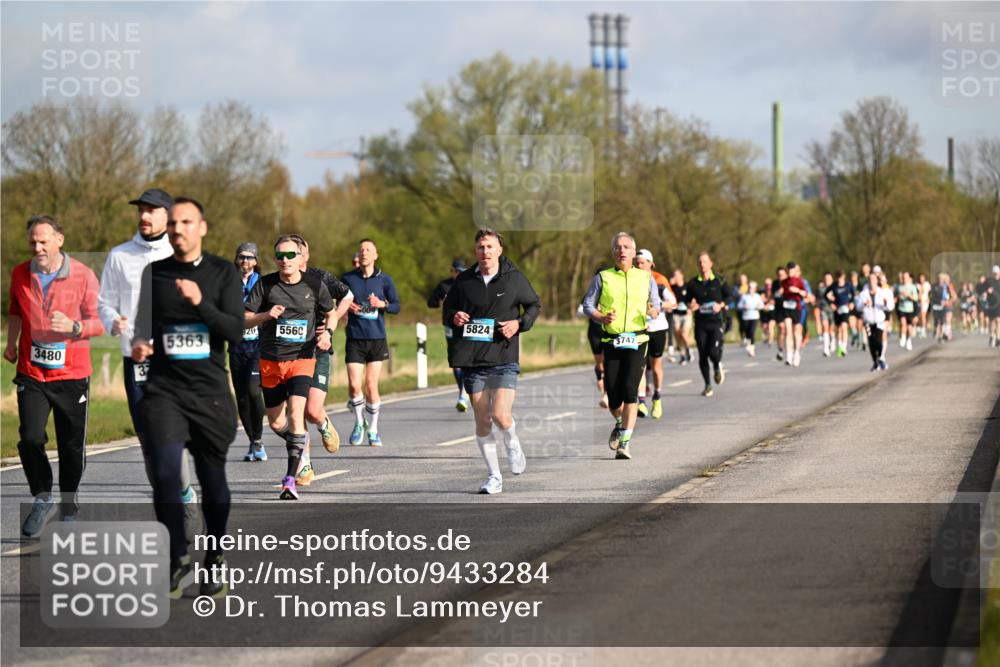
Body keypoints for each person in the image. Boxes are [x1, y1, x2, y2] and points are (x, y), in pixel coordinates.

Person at [130, 197, 244, 598]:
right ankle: (178, 556)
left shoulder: (223, 272)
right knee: (164, 474)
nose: (178, 229)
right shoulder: (154, 273)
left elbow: (234, 331)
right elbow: (142, 329)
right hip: (165, 391)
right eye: (173, 223)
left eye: (186, 222)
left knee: (213, 482)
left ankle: (215, 555)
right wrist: (140, 345)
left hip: (210, 394)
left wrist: (200, 303)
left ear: (202, 227)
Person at [98, 188, 199, 531]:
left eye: (151, 210)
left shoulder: (182, 254)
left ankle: (184, 493)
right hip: (136, 359)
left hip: (175, 358)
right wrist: (112, 320)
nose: (144, 216)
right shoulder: (120, 256)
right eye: (141, 209)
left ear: (167, 216)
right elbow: (103, 302)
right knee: (148, 438)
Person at [6, 215, 104, 537]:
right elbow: (16, 311)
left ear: (59, 240)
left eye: (43, 241)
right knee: (31, 437)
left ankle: (69, 506)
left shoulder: (83, 275)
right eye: (32, 242)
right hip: (32, 372)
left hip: (72, 376)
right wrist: (11, 343)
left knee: (71, 448)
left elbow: (99, 322)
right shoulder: (20, 273)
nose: (37, 247)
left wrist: (75, 327)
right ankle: (43, 496)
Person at [444, 228, 541, 492]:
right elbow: (448, 309)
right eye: (481, 247)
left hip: (503, 356)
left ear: (499, 250)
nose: (485, 251)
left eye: (490, 247)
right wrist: (454, 316)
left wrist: (519, 323)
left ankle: (512, 441)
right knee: (482, 420)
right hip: (473, 359)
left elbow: (534, 305)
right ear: (475, 251)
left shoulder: (513, 279)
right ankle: (494, 476)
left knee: (500, 415)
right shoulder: (464, 281)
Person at [244, 235, 335, 499]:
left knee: (297, 413)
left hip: (302, 358)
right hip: (270, 361)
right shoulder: (265, 284)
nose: (285, 260)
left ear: (300, 257)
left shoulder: (315, 285)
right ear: (275, 259)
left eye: (290, 255)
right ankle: (301, 443)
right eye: (280, 256)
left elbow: (331, 312)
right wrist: (265, 315)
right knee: (276, 422)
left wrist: (328, 333)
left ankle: (290, 479)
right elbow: (244, 319)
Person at [582, 233, 660, 458]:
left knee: (630, 389)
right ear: (613, 252)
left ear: (634, 252)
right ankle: (619, 422)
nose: (622, 250)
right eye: (618, 247)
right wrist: (601, 317)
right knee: (614, 396)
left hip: (638, 339)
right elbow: (588, 305)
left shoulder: (646, 278)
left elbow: (656, 303)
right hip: (612, 340)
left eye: (626, 247)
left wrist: (654, 310)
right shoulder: (603, 277)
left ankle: (625, 443)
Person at [293, 235, 353, 485]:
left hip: (318, 349)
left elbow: (348, 295)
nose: (291, 258)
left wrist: (332, 322)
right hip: (291, 353)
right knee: (296, 411)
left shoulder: (320, 277)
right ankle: (304, 466)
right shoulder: (277, 283)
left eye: (297, 252)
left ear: (305, 255)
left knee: (312, 411)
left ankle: (323, 422)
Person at [341, 239, 400, 447]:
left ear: (375, 255)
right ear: (358, 255)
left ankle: (373, 430)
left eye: (368, 250)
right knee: (354, 385)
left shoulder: (385, 280)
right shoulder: (348, 279)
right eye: (361, 250)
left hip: (376, 339)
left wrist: (382, 304)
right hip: (355, 338)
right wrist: (347, 306)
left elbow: (396, 306)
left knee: (371, 385)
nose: (364, 252)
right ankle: (359, 422)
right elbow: (335, 299)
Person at [230, 243, 267, 462]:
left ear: (255, 261)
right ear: (237, 259)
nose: (245, 261)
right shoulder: (228, 282)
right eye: (242, 257)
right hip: (236, 347)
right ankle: (253, 441)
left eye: (249, 257)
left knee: (254, 391)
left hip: (257, 347)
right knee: (242, 397)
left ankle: (259, 438)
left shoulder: (262, 283)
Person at [634, 249, 675, 419]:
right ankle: (641, 402)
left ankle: (657, 398)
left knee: (656, 367)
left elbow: (673, 303)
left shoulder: (659, 280)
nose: (639, 265)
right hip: (639, 328)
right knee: (640, 366)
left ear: (651, 264)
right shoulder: (631, 280)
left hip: (657, 328)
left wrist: (657, 307)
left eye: (642, 263)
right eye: (637, 263)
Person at [428, 259, 470, 411]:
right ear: (451, 271)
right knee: (455, 360)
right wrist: (441, 302)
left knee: (466, 359)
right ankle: (462, 391)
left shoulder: (470, 284)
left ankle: (465, 392)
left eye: (460, 271)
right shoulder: (444, 285)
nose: (457, 274)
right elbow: (431, 302)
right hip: (450, 326)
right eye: (455, 271)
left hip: (467, 326)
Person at [684, 253, 729, 395]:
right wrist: (691, 305)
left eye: (705, 261)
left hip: (716, 322)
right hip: (701, 323)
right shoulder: (692, 283)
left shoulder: (720, 280)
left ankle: (716, 365)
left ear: (711, 263)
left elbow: (730, 296)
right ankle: (707, 385)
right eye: (700, 262)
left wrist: (721, 305)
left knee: (713, 351)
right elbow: (687, 300)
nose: (702, 264)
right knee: (702, 354)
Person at [856, 273, 895, 371]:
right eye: (870, 279)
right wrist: (864, 304)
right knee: (871, 342)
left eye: (873, 279)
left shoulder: (882, 293)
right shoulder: (863, 294)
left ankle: (881, 358)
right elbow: (858, 307)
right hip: (868, 321)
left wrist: (885, 303)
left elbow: (890, 307)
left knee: (878, 340)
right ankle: (875, 362)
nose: (871, 281)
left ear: (877, 281)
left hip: (879, 320)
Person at [780, 262, 808, 367]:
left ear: (795, 271)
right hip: (787, 307)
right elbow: (781, 294)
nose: (790, 272)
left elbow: (805, 294)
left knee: (796, 332)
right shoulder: (784, 282)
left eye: (791, 270)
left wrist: (797, 290)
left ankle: (797, 353)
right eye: (788, 270)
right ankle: (789, 355)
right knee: (788, 331)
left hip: (797, 308)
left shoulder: (799, 281)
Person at [824, 270, 855, 357]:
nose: (839, 279)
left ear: (844, 276)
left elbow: (853, 294)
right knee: (838, 329)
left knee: (844, 327)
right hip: (837, 309)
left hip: (845, 308)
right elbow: (825, 295)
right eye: (838, 277)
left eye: (841, 277)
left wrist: (852, 302)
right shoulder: (834, 285)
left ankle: (844, 348)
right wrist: (831, 303)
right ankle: (840, 346)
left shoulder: (848, 285)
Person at [670, 269, 692, 365]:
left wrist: (690, 307)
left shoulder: (687, 286)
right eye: (674, 275)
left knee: (684, 333)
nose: (676, 277)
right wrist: (669, 284)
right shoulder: (672, 287)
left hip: (686, 314)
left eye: (677, 275)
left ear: (682, 276)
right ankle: (682, 355)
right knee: (677, 333)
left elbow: (694, 298)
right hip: (676, 314)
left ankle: (688, 349)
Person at [737, 281, 764, 357]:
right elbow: (739, 305)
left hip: (754, 316)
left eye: (752, 288)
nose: (750, 289)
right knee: (747, 332)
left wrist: (759, 306)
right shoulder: (744, 296)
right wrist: (744, 306)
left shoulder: (757, 296)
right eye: (749, 288)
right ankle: (748, 345)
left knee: (752, 332)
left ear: (755, 289)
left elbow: (762, 305)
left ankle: (752, 348)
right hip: (746, 317)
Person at [896, 272, 919, 351]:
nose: (904, 279)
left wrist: (908, 295)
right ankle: (903, 337)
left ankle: (909, 340)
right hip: (901, 308)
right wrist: (899, 296)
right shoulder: (899, 287)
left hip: (910, 309)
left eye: (906, 277)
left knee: (909, 327)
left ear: (909, 278)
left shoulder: (912, 287)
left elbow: (916, 298)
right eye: (903, 277)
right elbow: (896, 296)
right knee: (903, 323)